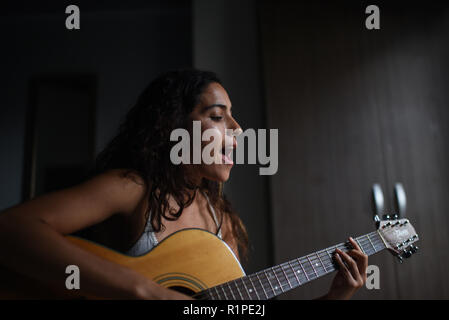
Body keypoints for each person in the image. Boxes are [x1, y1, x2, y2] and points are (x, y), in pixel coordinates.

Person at [0, 69, 368, 300]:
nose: (238, 130)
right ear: (175, 128)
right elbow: (11, 229)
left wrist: (336, 297)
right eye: (217, 116)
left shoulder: (222, 222)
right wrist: (146, 291)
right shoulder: (132, 189)